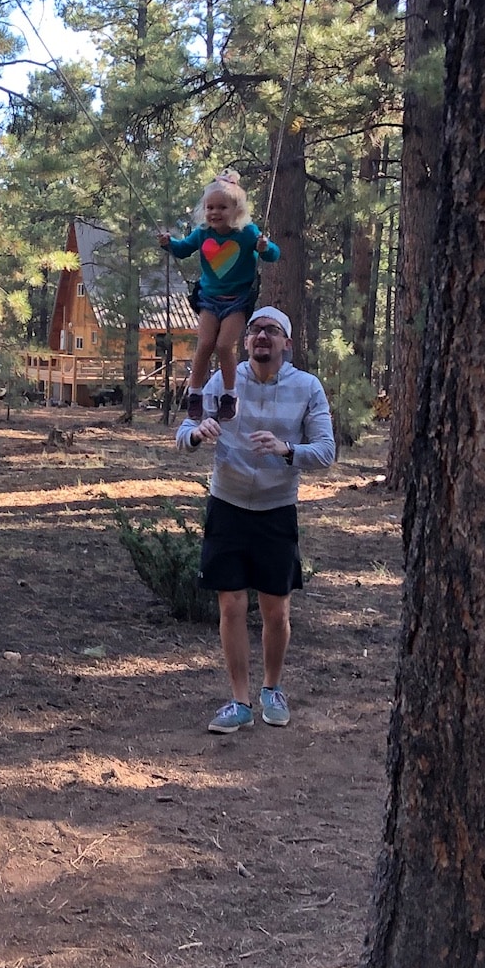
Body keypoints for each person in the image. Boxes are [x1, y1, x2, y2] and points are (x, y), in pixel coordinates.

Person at [175, 306, 335, 734]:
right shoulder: (223, 381)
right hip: (227, 504)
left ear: (287, 343)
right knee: (230, 605)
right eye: (254, 330)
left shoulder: (307, 387)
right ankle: (239, 701)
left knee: (275, 612)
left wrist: (287, 449)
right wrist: (197, 433)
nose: (262, 336)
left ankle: (272, 688)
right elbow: (184, 431)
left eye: (272, 330)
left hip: (276, 509)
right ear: (245, 341)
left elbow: (326, 451)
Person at [159, 177, 279, 423]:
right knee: (204, 344)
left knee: (224, 346)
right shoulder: (203, 233)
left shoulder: (247, 233)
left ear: (236, 210)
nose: (215, 212)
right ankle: (195, 394)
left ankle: (229, 396)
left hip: (238, 300)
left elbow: (273, 255)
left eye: (222, 207)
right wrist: (168, 243)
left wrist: (265, 247)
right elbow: (182, 250)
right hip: (209, 299)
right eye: (210, 207)